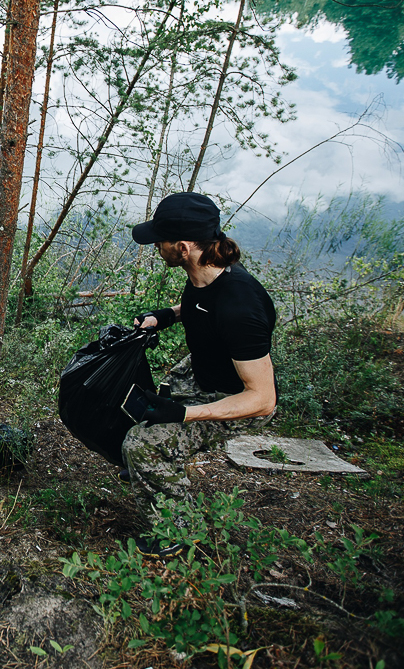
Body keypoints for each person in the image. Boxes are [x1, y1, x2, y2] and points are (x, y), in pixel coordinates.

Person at [123, 192, 277, 550]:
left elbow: (263, 399)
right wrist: (164, 316)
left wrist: (185, 414)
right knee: (139, 398)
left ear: (182, 246)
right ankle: (154, 470)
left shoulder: (241, 306)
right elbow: (199, 304)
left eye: (159, 241)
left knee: (142, 442)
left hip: (236, 397)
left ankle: (178, 534)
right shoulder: (205, 273)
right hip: (202, 368)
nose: (155, 246)